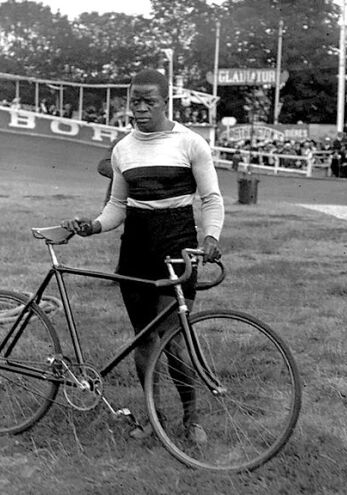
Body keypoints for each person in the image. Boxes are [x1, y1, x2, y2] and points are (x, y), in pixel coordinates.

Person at [62, 69, 223, 443]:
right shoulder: (123, 149)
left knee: (173, 338)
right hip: (135, 251)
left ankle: (191, 418)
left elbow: (211, 200)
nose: (140, 109)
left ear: (166, 101)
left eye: (149, 101)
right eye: (134, 101)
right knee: (143, 340)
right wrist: (93, 225)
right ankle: (154, 419)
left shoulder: (191, 143)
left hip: (176, 249)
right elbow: (117, 206)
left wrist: (211, 237)